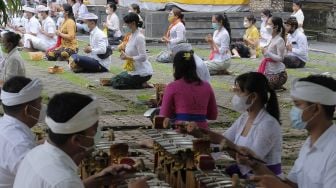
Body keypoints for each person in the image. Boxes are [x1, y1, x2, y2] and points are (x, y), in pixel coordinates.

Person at [13, 92, 149, 188]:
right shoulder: (64, 180)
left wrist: (97, 179)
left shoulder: (36, 153)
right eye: (94, 129)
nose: (97, 133)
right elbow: (62, 184)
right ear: (77, 139)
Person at [237, 75, 336, 188]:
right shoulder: (310, 143)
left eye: (298, 104)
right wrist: (256, 165)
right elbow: (292, 184)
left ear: (316, 109)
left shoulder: (333, 151)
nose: (293, 110)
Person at [187, 72, 281, 178]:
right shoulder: (245, 117)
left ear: (253, 96)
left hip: (265, 181)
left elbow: (249, 160)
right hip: (246, 176)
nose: (235, 96)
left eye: (238, 92)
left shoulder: (268, 125)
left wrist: (226, 146)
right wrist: (199, 133)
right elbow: (224, 138)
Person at [0, 77, 44, 188]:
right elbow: (41, 184)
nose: (41, 108)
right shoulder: (20, 145)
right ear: (28, 110)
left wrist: (48, 143)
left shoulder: (5, 125)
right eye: (39, 103)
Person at [160, 50, 218, 130]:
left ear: (176, 67)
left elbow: (164, 114)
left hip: (181, 131)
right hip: (203, 132)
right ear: (194, 66)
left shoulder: (172, 86)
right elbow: (213, 115)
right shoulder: (207, 86)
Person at [111, 13, 153, 89]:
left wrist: (128, 57)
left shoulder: (139, 37)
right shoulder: (130, 36)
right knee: (114, 79)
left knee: (117, 84)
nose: (124, 26)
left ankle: (142, 84)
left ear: (133, 23)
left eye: (126, 24)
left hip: (143, 72)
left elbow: (143, 57)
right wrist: (123, 50)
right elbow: (131, 51)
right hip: (133, 70)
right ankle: (140, 83)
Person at [258, 16, 287, 90]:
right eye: (267, 24)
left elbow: (280, 58)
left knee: (262, 86)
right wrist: (264, 52)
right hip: (268, 71)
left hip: (278, 73)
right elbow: (267, 55)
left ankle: (277, 85)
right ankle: (276, 86)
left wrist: (267, 52)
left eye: (269, 24)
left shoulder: (280, 40)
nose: (267, 26)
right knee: (256, 82)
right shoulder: (270, 38)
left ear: (276, 27)